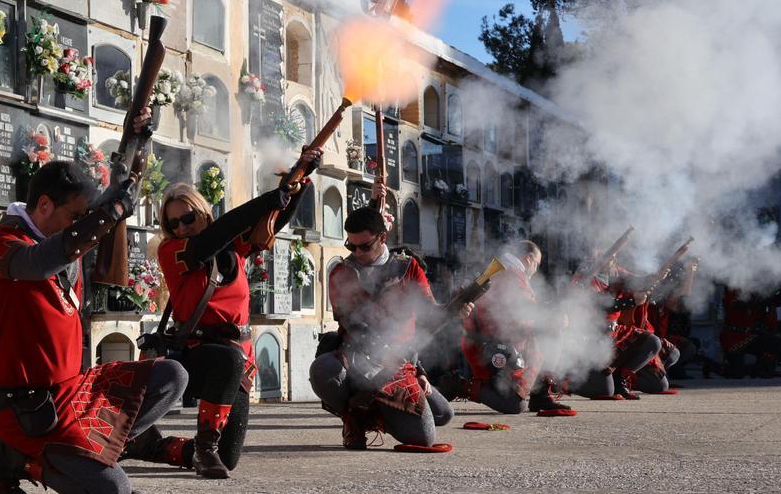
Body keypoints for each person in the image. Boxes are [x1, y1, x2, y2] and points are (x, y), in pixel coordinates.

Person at [0, 106, 190, 494]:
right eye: (74, 216)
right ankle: (14, 458)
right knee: (115, 491)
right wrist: (106, 212)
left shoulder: (66, 236)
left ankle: (109, 445)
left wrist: (138, 140)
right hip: (28, 409)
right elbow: (39, 263)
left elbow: (120, 197)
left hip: (75, 391)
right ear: (43, 206)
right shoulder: (0, 243)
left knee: (172, 376)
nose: (81, 226)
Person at [143, 147, 322, 479]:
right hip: (196, 356)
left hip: (238, 357)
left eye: (187, 218)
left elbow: (270, 224)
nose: (181, 227)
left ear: (202, 212)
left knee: (230, 457)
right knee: (227, 363)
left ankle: (154, 447)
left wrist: (300, 182)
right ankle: (203, 450)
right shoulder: (173, 251)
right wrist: (269, 198)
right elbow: (218, 233)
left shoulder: (231, 248)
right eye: (173, 223)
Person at [309, 189, 471, 449]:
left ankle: (376, 409)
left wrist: (456, 311)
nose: (357, 253)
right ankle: (355, 417)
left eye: (364, 246)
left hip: (400, 360)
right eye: (351, 245)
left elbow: (430, 312)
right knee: (323, 370)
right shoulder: (341, 272)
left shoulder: (408, 266)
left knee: (437, 422)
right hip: (357, 356)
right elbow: (351, 322)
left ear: (382, 238)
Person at [438, 240, 574, 416]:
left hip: (503, 342)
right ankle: (460, 385)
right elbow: (517, 316)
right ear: (529, 259)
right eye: (537, 264)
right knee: (513, 405)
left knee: (551, 332)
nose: (536, 269)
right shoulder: (511, 275)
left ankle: (540, 394)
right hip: (490, 346)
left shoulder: (509, 272)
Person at [572, 256, 662, 400]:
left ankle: (621, 379)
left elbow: (637, 280)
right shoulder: (584, 274)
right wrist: (631, 301)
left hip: (612, 332)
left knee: (652, 342)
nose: (613, 256)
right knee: (605, 391)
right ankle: (564, 382)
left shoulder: (616, 271)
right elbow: (598, 305)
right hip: (591, 337)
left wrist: (655, 277)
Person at [721, 285, 781, 378]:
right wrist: (758, 301)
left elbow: (769, 322)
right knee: (736, 374)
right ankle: (711, 366)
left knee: (775, 342)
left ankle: (761, 369)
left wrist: (771, 303)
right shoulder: (732, 291)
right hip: (732, 337)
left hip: (749, 336)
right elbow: (737, 306)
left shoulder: (757, 294)